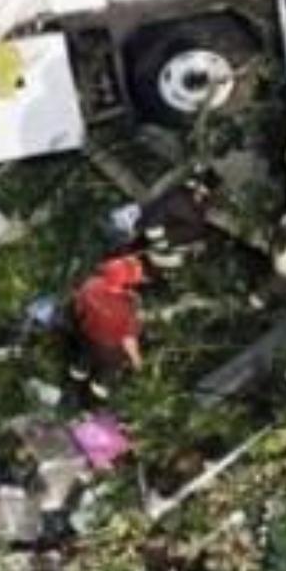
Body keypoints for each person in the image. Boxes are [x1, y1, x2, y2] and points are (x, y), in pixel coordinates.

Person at [106, 167, 222, 270]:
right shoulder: (185, 203)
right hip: (167, 225)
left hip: (166, 221)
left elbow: (160, 219)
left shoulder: (181, 201)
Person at [68, 255, 145, 401]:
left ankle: (80, 368)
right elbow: (128, 339)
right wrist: (136, 360)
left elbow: (78, 308)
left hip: (87, 337)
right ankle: (100, 384)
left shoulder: (91, 285)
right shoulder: (130, 304)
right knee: (113, 363)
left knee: (87, 352)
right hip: (109, 350)